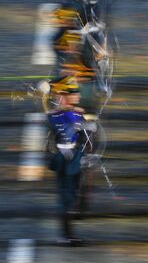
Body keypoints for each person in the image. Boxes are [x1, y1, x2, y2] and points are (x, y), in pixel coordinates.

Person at [46, 76, 86, 245]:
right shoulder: (58, 116)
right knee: (66, 198)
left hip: (75, 159)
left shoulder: (74, 113)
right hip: (65, 160)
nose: (77, 95)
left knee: (73, 195)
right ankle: (65, 236)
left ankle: (68, 234)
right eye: (73, 92)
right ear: (63, 95)